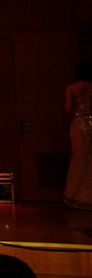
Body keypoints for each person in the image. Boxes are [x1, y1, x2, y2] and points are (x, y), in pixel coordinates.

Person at [63, 60, 92, 209]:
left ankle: (75, 195)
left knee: (78, 159)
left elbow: (68, 109)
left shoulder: (71, 88)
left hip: (79, 126)